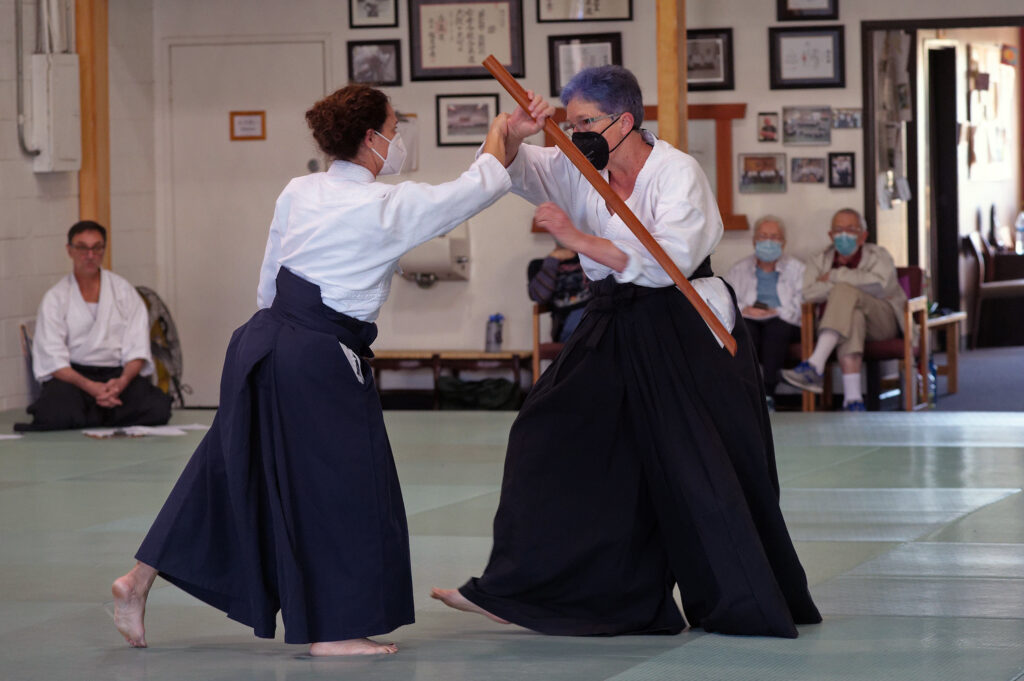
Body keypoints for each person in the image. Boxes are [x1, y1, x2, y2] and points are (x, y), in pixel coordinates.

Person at [111, 84, 515, 656]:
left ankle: (137, 580)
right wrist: (502, 132)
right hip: (316, 355)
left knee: (224, 465)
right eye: (394, 129)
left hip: (261, 339)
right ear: (371, 139)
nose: (398, 140)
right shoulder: (381, 207)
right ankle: (333, 630)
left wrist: (276, 339)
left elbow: (268, 278)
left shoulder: (300, 190)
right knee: (343, 487)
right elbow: (471, 192)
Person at [432, 66, 821, 638]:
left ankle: (743, 600)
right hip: (612, 320)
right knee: (547, 433)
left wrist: (579, 239)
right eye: (569, 123)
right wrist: (511, 130)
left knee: (701, 469)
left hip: (685, 324)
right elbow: (509, 169)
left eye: (586, 122)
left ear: (626, 121)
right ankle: (528, 589)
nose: (574, 134)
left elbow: (672, 259)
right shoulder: (574, 165)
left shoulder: (676, 172)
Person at [14, 221, 171, 432]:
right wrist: (91, 387)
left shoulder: (123, 291)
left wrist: (121, 382)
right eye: (82, 248)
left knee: (158, 408)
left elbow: (137, 349)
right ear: (69, 250)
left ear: (104, 250)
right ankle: (103, 413)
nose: (90, 255)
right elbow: (53, 358)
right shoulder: (56, 298)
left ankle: (96, 412)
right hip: (75, 379)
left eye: (97, 247)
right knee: (54, 411)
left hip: (117, 376)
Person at [781, 208, 906, 411]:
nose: (844, 234)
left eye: (850, 229)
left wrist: (834, 277)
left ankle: (815, 364)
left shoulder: (879, 255)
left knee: (844, 290)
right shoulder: (818, 259)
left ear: (863, 235)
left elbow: (881, 285)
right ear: (830, 235)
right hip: (842, 324)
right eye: (838, 230)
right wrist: (850, 285)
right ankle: (853, 400)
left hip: (882, 322)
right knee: (853, 316)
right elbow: (808, 292)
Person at [725, 216, 804, 409]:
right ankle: (747, 393)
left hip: (785, 320)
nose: (768, 241)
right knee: (746, 332)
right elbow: (727, 300)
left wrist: (775, 311)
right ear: (754, 241)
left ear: (783, 243)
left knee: (776, 330)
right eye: (763, 236)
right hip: (750, 319)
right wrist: (745, 309)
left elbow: (802, 304)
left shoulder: (797, 269)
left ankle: (768, 392)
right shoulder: (739, 269)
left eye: (774, 237)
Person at [526, 243, 591, 342]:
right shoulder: (539, 265)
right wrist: (552, 260)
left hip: (595, 316)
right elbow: (539, 296)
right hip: (568, 324)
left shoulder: (592, 261)